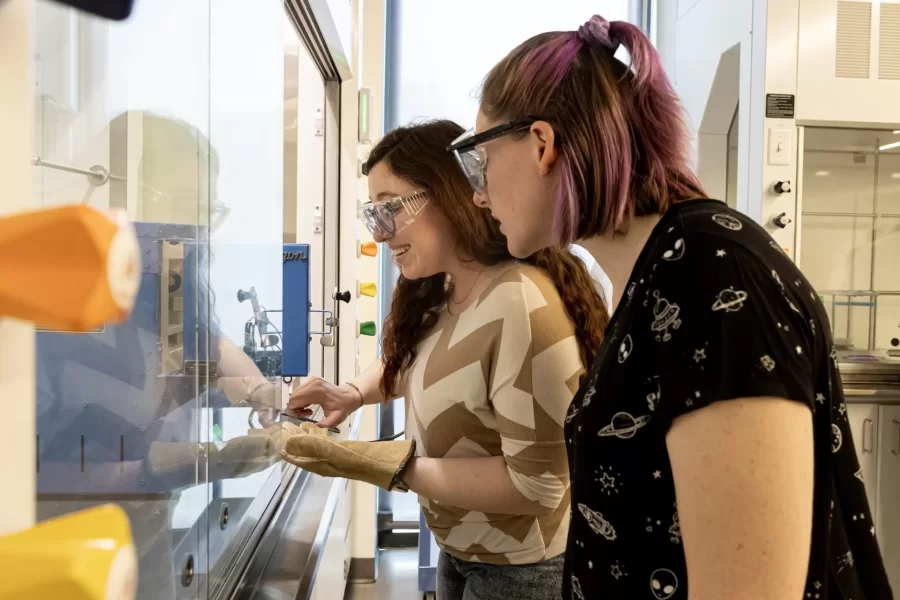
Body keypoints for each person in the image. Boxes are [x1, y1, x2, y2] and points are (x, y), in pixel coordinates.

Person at [445, 15, 893, 600]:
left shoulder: (710, 275)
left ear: (541, 144)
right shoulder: (660, 271)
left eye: (478, 161)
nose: (477, 194)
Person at [285, 120, 609, 600]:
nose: (381, 233)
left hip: (522, 570)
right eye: (373, 214)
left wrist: (387, 464)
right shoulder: (443, 287)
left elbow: (538, 486)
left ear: (453, 192)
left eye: (391, 209)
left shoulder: (519, 302)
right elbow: (418, 361)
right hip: (459, 553)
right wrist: (350, 394)